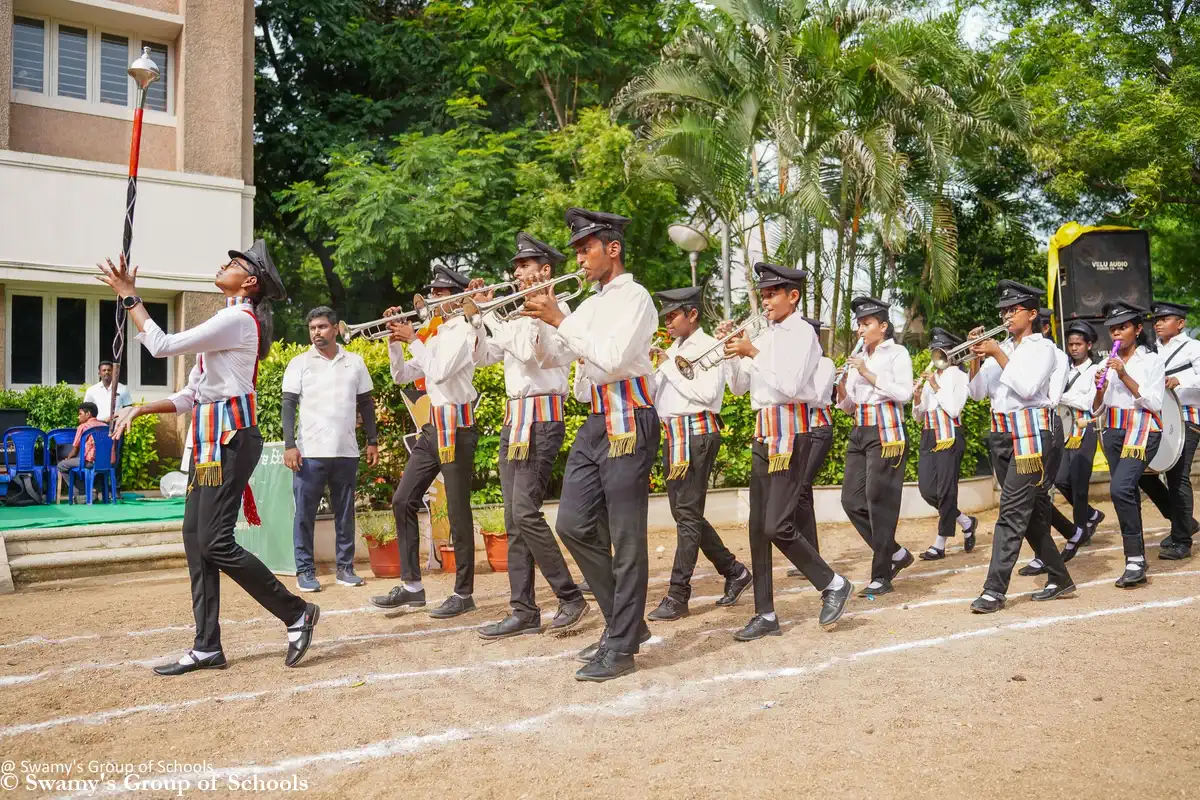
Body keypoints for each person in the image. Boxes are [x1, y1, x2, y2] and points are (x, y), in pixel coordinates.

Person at [98, 241, 318, 674]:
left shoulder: (237, 319)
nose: (224, 265)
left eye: (233, 264)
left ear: (249, 281)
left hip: (232, 438)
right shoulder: (228, 321)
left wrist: (130, 296)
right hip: (211, 439)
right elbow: (190, 396)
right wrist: (142, 408)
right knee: (196, 541)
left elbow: (160, 345)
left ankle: (296, 612)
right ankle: (206, 645)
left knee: (215, 541)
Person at [522, 207, 659, 682]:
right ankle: (628, 624)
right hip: (598, 417)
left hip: (630, 414)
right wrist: (539, 318)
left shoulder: (635, 298)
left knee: (626, 536)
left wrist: (559, 315)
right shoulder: (590, 303)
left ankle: (621, 645)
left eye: (586, 248)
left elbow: (614, 357)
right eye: (577, 249)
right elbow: (555, 357)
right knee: (573, 524)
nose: (578, 257)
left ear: (612, 249)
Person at [724, 263, 854, 641]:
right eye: (763, 294)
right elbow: (738, 389)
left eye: (772, 294)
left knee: (777, 524)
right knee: (756, 530)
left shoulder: (802, 335)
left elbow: (792, 385)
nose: (765, 301)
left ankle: (832, 583)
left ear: (792, 296)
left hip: (791, 433)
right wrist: (735, 353)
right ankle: (765, 614)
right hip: (763, 432)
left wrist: (753, 350)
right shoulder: (767, 334)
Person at [474, 233, 589, 639]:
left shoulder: (560, 310)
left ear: (545, 270)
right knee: (512, 518)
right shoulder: (516, 315)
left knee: (525, 511)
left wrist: (489, 314)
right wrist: (474, 319)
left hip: (541, 420)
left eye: (523, 267)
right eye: (516, 267)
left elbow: (529, 353)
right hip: (514, 420)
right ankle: (523, 609)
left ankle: (570, 596)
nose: (516, 273)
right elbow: (485, 357)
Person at [370, 266, 486, 619]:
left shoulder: (463, 331)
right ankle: (412, 587)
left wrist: (414, 339)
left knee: (457, 510)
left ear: (455, 296)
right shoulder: (433, 334)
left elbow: (439, 371)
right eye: (432, 294)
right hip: (434, 427)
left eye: (440, 293)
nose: (433, 299)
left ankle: (463, 592)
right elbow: (402, 376)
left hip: (459, 427)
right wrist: (395, 345)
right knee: (403, 499)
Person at [966, 280, 1075, 613]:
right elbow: (975, 393)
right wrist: (974, 357)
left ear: (1031, 314)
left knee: (1011, 512)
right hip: (1001, 434)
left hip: (1030, 434)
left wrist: (997, 352)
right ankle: (1060, 577)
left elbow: (1028, 388)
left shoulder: (1043, 349)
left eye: (1013, 310)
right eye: (1003, 310)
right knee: (1027, 517)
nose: (1006, 315)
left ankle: (993, 590)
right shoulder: (1004, 348)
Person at [645, 286, 752, 622]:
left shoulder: (709, 347)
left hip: (698, 433)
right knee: (685, 515)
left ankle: (679, 594)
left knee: (687, 515)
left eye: (674, 316)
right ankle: (733, 570)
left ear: (692, 314)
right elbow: (656, 395)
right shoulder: (672, 348)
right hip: (674, 435)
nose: (668, 322)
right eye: (666, 317)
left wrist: (670, 367)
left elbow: (706, 394)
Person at [282, 306, 378, 593]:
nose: (316, 333)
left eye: (322, 327)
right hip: (309, 453)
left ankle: (345, 569)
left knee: (346, 513)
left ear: (335, 328)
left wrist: (372, 440)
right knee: (305, 515)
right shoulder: (299, 363)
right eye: (312, 328)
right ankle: (305, 571)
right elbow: (288, 405)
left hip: (346, 451)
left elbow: (366, 404)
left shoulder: (355, 362)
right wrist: (290, 445)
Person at [836, 296, 915, 596]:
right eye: (859, 324)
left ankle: (881, 575)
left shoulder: (897, 353)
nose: (860, 329)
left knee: (878, 501)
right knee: (850, 500)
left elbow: (905, 393)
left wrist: (867, 372)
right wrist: (842, 386)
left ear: (882, 326)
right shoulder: (859, 356)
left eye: (866, 323)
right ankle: (895, 553)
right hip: (860, 428)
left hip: (886, 429)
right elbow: (848, 406)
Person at [1093, 301, 1165, 587]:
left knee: (1119, 487)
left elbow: (1155, 402)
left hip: (1143, 428)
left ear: (1137, 328)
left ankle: (1134, 560)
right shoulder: (1103, 362)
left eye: (1122, 327)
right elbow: (1095, 409)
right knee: (1128, 493)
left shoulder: (1152, 361)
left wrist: (1124, 375)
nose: (1117, 334)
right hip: (1113, 429)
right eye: (1112, 329)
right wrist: (1101, 387)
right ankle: (1138, 557)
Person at [1029, 320, 1104, 573]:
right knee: (1060, 479)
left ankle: (1080, 530)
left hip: (1086, 427)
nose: (1073, 348)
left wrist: (1059, 396)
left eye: (1078, 344)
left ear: (1089, 345)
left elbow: (1088, 401)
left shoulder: (1097, 369)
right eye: (1071, 344)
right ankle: (1091, 516)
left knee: (1079, 483)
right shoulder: (1063, 367)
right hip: (1064, 428)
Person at [1143, 301, 1200, 561]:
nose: (1158, 323)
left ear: (1180, 323)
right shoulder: (1151, 352)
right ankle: (1184, 522)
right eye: (1156, 319)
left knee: (1178, 477)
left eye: (1165, 319)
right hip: (1158, 420)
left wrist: (1180, 380)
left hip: (1187, 418)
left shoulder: (1193, 348)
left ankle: (1181, 540)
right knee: (1143, 473)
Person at [914, 329, 978, 560]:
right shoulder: (934, 376)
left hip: (949, 435)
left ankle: (939, 543)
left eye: (940, 351)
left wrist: (936, 387)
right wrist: (917, 396)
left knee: (946, 492)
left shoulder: (959, 376)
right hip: (930, 436)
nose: (936, 356)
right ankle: (966, 521)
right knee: (927, 489)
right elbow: (919, 416)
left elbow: (953, 410)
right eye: (934, 351)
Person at [57, 402, 106, 487]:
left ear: (88, 414)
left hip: (89, 462)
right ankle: (89, 490)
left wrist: (67, 459)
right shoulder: (105, 426)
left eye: (80, 414)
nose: (78, 417)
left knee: (61, 465)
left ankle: (78, 491)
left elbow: (75, 450)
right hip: (105, 462)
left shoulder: (83, 427)